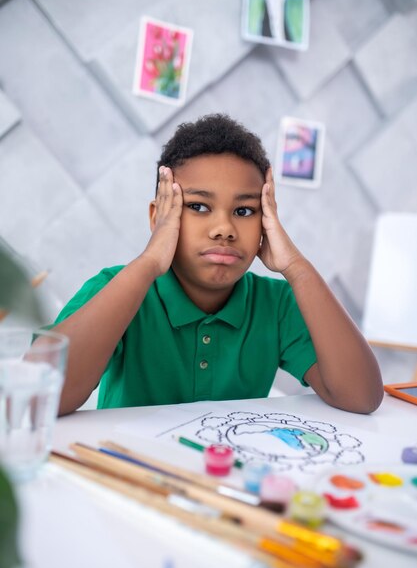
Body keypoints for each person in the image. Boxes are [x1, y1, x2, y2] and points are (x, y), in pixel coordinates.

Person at [52, 114, 383, 415]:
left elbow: (361, 397)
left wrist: (295, 266)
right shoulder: (117, 289)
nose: (224, 228)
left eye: (244, 211)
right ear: (159, 216)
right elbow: (47, 394)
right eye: (198, 206)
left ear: (266, 223)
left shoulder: (277, 304)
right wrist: (150, 260)